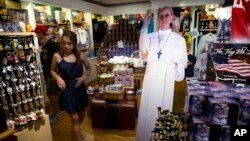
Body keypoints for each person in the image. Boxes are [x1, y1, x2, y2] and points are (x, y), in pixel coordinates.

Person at [136, 7, 187, 141]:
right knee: (148, 109)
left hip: (166, 80)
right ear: (158, 19)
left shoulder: (179, 40)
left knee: (162, 110)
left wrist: (174, 66)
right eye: (161, 16)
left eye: (167, 15)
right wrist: (145, 27)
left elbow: (181, 66)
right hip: (150, 78)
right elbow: (143, 51)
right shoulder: (150, 36)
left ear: (171, 18)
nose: (164, 18)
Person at [50, 30, 91, 141]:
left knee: (83, 115)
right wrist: (58, 78)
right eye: (63, 43)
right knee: (75, 118)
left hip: (79, 88)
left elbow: (89, 68)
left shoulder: (81, 55)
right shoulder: (57, 56)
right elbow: (52, 70)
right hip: (66, 90)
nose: (66, 46)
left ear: (74, 44)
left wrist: (83, 78)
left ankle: (75, 128)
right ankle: (78, 136)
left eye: (69, 43)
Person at [35, 25, 62, 124]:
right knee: (52, 93)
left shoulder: (52, 44)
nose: (36, 35)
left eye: (37, 33)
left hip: (52, 73)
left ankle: (57, 113)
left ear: (41, 33)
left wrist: (57, 74)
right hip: (47, 72)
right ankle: (57, 112)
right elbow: (47, 55)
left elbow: (58, 58)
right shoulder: (45, 44)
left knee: (51, 93)